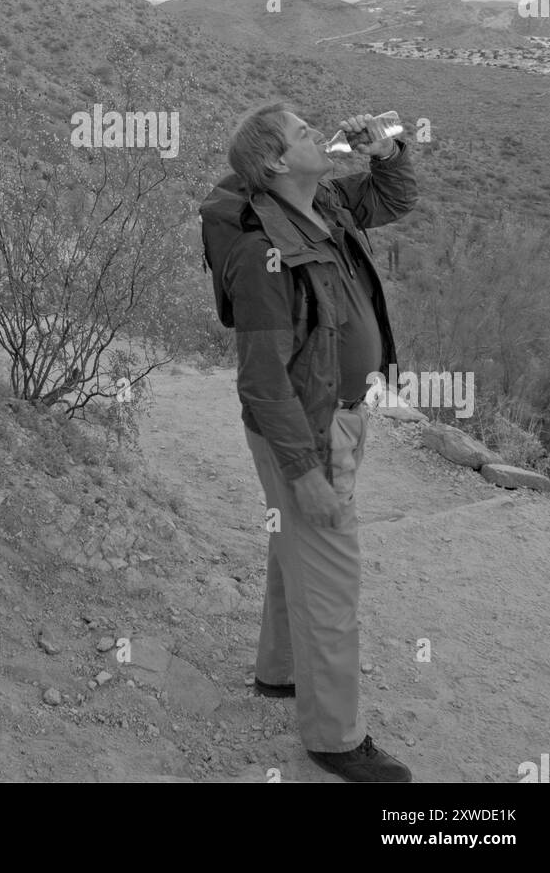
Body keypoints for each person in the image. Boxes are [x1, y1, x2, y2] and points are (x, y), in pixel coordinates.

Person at [199, 103, 417, 782]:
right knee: (330, 581)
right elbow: (262, 381)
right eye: (300, 133)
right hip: (308, 428)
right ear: (272, 162)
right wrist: (306, 469)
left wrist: (384, 151)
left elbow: (393, 199)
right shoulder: (260, 246)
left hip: (334, 414)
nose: (315, 134)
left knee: (293, 546)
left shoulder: (319, 200)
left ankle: (279, 673)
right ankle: (333, 739)